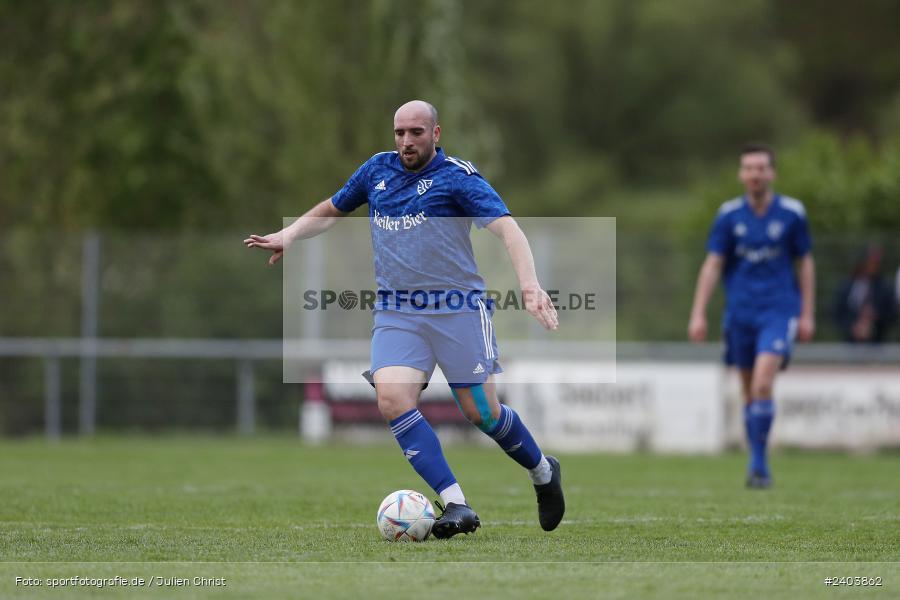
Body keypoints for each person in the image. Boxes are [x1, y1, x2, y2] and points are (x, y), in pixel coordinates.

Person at [245, 100, 565, 537]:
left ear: (436, 134)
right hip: (398, 311)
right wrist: (289, 234)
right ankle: (457, 504)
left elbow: (509, 229)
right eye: (399, 133)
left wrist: (529, 285)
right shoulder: (376, 170)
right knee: (393, 399)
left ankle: (543, 472)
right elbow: (332, 209)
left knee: (482, 413)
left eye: (416, 132)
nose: (406, 141)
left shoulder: (457, 177)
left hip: (458, 308)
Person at [688, 143, 815, 489]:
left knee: (762, 383)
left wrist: (807, 313)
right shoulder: (729, 215)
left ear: (772, 172)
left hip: (778, 310)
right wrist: (698, 313)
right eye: (748, 168)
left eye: (761, 167)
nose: (755, 174)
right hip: (740, 313)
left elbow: (805, 263)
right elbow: (713, 264)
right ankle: (756, 459)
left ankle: (760, 465)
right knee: (748, 391)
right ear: (741, 174)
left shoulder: (792, 213)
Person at [834, 244, 896, 343]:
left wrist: (876, 318)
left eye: (875, 263)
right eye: (870, 262)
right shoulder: (847, 286)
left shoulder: (885, 288)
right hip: (850, 343)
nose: (872, 266)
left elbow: (892, 315)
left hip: (878, 344)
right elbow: (837, 312)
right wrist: (852, 327)